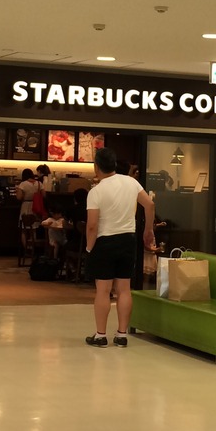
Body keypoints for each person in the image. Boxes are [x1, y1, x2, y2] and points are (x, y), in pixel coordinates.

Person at [84, 148, 156, 348]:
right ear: (114, 164)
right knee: (124, 289)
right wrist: (148, 230)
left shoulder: (96, 191)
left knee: (103, 290)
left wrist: (89, 248)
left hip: (104, 242)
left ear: (96, 167)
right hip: (128, 240)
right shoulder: (131, 182)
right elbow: (149, 205)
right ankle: (122, 334)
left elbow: (92, 225)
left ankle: (101, 335)